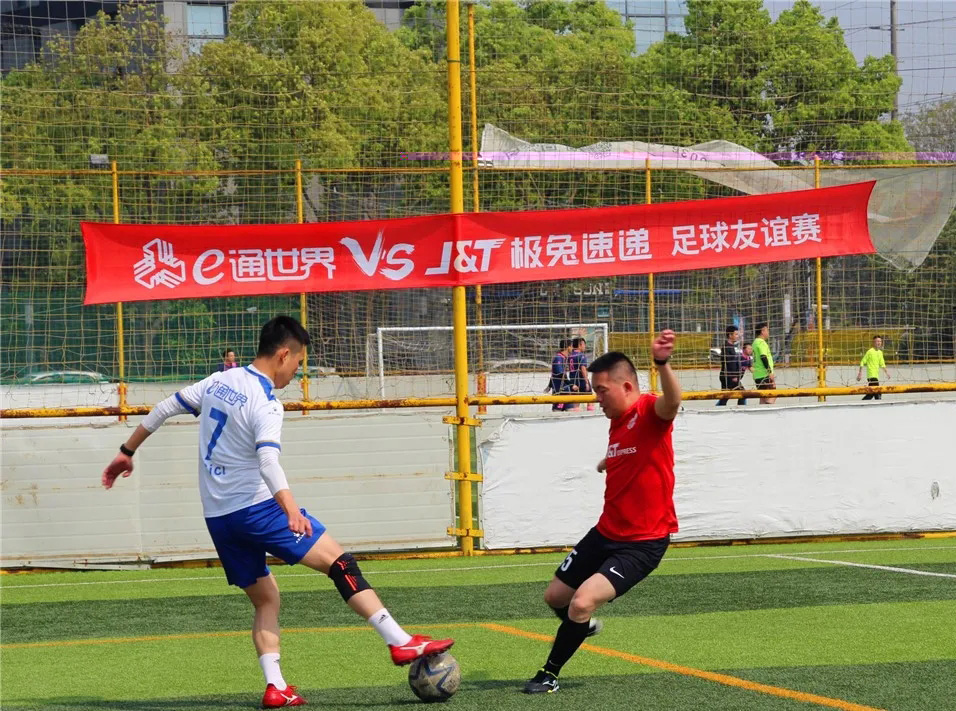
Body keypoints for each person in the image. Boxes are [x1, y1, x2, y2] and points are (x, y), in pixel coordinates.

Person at [101, 316, 453, 708]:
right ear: (284, 354)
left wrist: (126, 452)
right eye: (298, 363)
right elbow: (268, 461)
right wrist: (290, 510)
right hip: (257, 510)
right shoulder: (266, 402)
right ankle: (399, 642)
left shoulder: (221, 379)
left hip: (219, 518)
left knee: (266, 598)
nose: (296, 371)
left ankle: (276, 687)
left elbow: (165, 408)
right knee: (340, 563)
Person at [523, 331, 681, 694]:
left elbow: (673, 402)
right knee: (555, 598)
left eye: (601, 391)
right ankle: (582, 626)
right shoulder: (617, 419)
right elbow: (630, 451)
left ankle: (549, 674)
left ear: (626, 386)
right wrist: (607, 461)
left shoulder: (650, 411)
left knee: (581, 601)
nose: (597, 399)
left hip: (642, 543)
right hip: (606, 532)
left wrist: (662, 364)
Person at [716, 325, 746, 407]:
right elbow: (729, 363)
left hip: (729, 376)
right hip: (729, 377)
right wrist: (733, 376)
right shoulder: (727, 347)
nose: (737, 336)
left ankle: (718, 408)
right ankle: (742, 410)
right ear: (730, 335)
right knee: (744, 394)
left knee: (725, 397)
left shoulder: (731, 347)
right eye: (736, 334)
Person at [857, 335, 891, 401]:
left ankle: (862, 403)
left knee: (871, 393)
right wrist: (860, 373)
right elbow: (862, 362)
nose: (879, 343)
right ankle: (878, 406)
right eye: (877, 341)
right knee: (878, 391)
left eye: (880, 341)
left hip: (876, 376)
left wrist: (887, 373)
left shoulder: (880, 353)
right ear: (873, 342)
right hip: (871, 376)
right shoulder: (870, 352)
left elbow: (882, 364)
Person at [751, 323, 776, 405]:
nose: (768, 332)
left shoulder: (755, 342)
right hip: (764, 374)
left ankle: (761, 415)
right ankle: (769, 414)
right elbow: (763, 357)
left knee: (762, 397)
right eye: (767, 330)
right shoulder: (761, 342)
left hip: (757, 375)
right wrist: (769, 372)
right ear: (762, 331)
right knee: (773, 394)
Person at [567, 337, 594, 412]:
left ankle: (576, 415)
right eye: (584, 344)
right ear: (580, 345)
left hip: (573, 381)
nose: (585, 346)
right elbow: (583, 369)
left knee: (576, 401)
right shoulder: (581, 355)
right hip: (581, 380)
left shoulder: (570, 356)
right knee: (590, 400)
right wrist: (586, 382)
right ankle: (591, 416)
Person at [546, 339, 572, 411]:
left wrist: (549, 385)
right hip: (560, 391)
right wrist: (571, 384)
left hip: (565, 389)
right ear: (568, 347)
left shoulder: (564, 358)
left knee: (571, 410)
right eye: (571, 346)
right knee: (557, 412)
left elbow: (554, 374)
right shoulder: (558, 358)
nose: (572, 348)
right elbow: (560, 374)